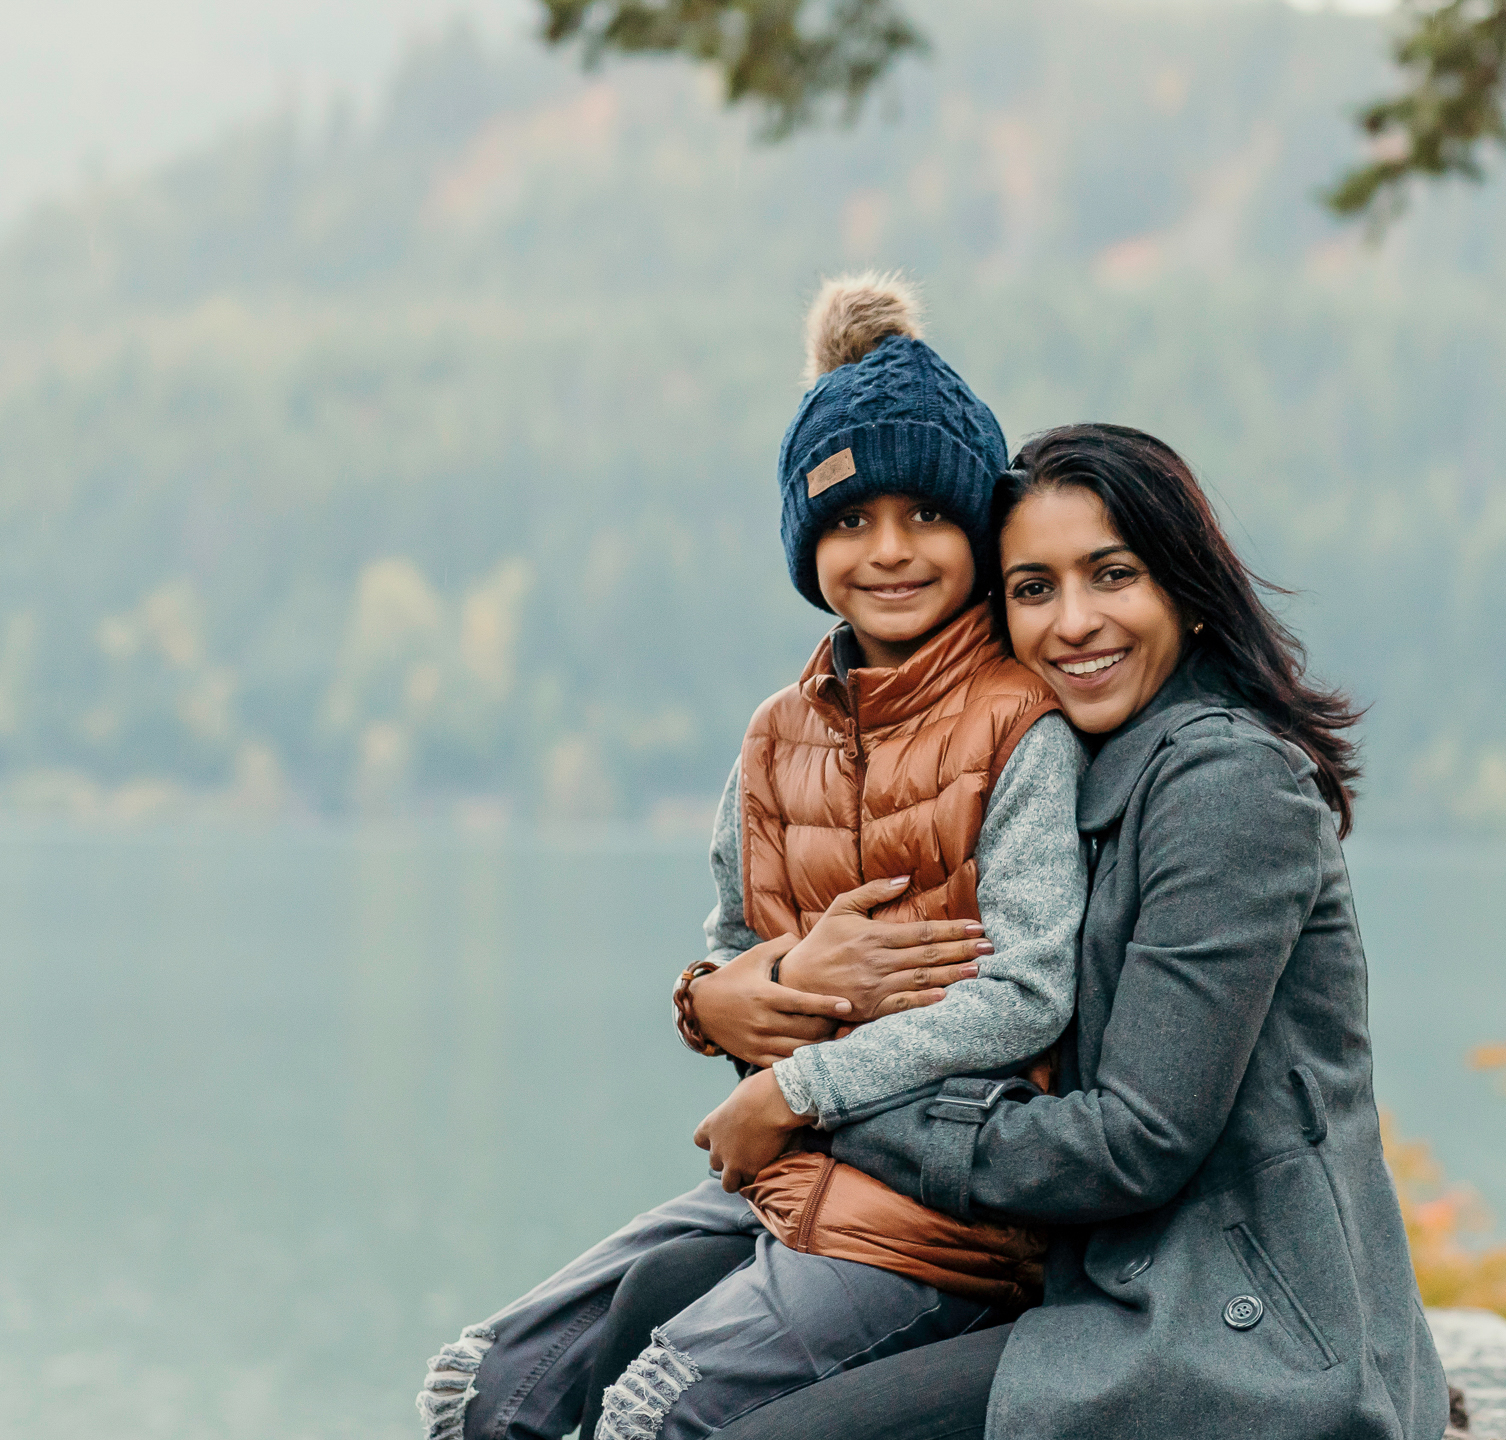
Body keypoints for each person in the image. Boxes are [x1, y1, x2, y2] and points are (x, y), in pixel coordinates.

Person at [414, 276, 1090, 1440]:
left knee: (650, 1420)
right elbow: (734, 955)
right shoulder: (780, 734)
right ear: (805, 541)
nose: (888, 551)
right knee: (478, 1389)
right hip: (780, 1185)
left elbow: (1028, 994)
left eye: (926, 515)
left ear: (980, 528)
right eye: (846, 520)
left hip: (939, 1219)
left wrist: (797, 1079)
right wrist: (750, 994)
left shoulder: (1021, 723)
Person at [690, 423, 1449, 1439]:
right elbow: (906, 976)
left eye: (1113, 575)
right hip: (1095, 1300)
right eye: (1034, 588)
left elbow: (1132, 1144)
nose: (1076, 622)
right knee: (640, 1340)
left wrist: (820, 1105)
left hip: (1234, 1347)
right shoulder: (1058, 768)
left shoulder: (1224, 785)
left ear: (1181, 584)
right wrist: (724, 994)